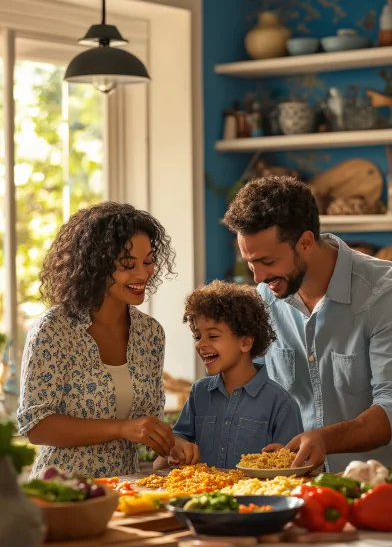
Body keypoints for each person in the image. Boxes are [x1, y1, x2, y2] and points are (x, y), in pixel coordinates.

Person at [223, 175, 392, 473]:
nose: (258, 278)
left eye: (268, 262)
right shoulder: (265, 298)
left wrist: (324, 439)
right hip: (296, 488)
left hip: (375, 490)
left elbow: (390, 409)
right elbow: (257, 389)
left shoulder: (382, 295)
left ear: (305, 243)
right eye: (251, 264)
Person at [17, 202, 177, 478]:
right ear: (97, 266)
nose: (143, 274)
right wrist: (121, 428)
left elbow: (147, 424)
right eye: (128, 264)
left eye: (148, 261)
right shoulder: (53, 330)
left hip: (126, 491)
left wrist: (173, 445)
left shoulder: (151, 334)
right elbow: (37, 425)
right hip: (64, 492)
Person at [153, 280, 303, 470]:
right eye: (198, 337)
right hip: (205, 497)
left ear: (246, 343)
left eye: (213, 336)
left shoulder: (280, 403)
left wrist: (284, 459)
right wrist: (179, 445)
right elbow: (178, 437)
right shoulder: (199, 392)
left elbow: (295, 466)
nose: (200, 344)